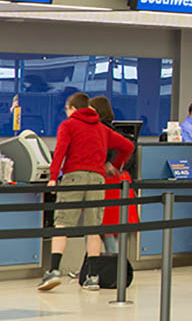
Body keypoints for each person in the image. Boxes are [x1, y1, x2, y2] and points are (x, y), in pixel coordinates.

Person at [39, 92, 135, 292]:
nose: (66, 113)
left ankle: (54, 271)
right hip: (98, 180)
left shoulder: (68, 125)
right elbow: (128, 146)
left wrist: (53, 177)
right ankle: (93, 276)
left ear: (73, 108)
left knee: (62, 223)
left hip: (74, 177)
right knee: (94, 229)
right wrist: (115, 164)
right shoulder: (101, 128)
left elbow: (60, 152)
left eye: (67, 109)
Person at [88, 96, 139, 257]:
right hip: (118, 184)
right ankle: (112, 263)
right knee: (107, 229)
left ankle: (96, 265)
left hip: (102, 184)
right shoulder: (118, 133)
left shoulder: (97, 132)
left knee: (95, 227)